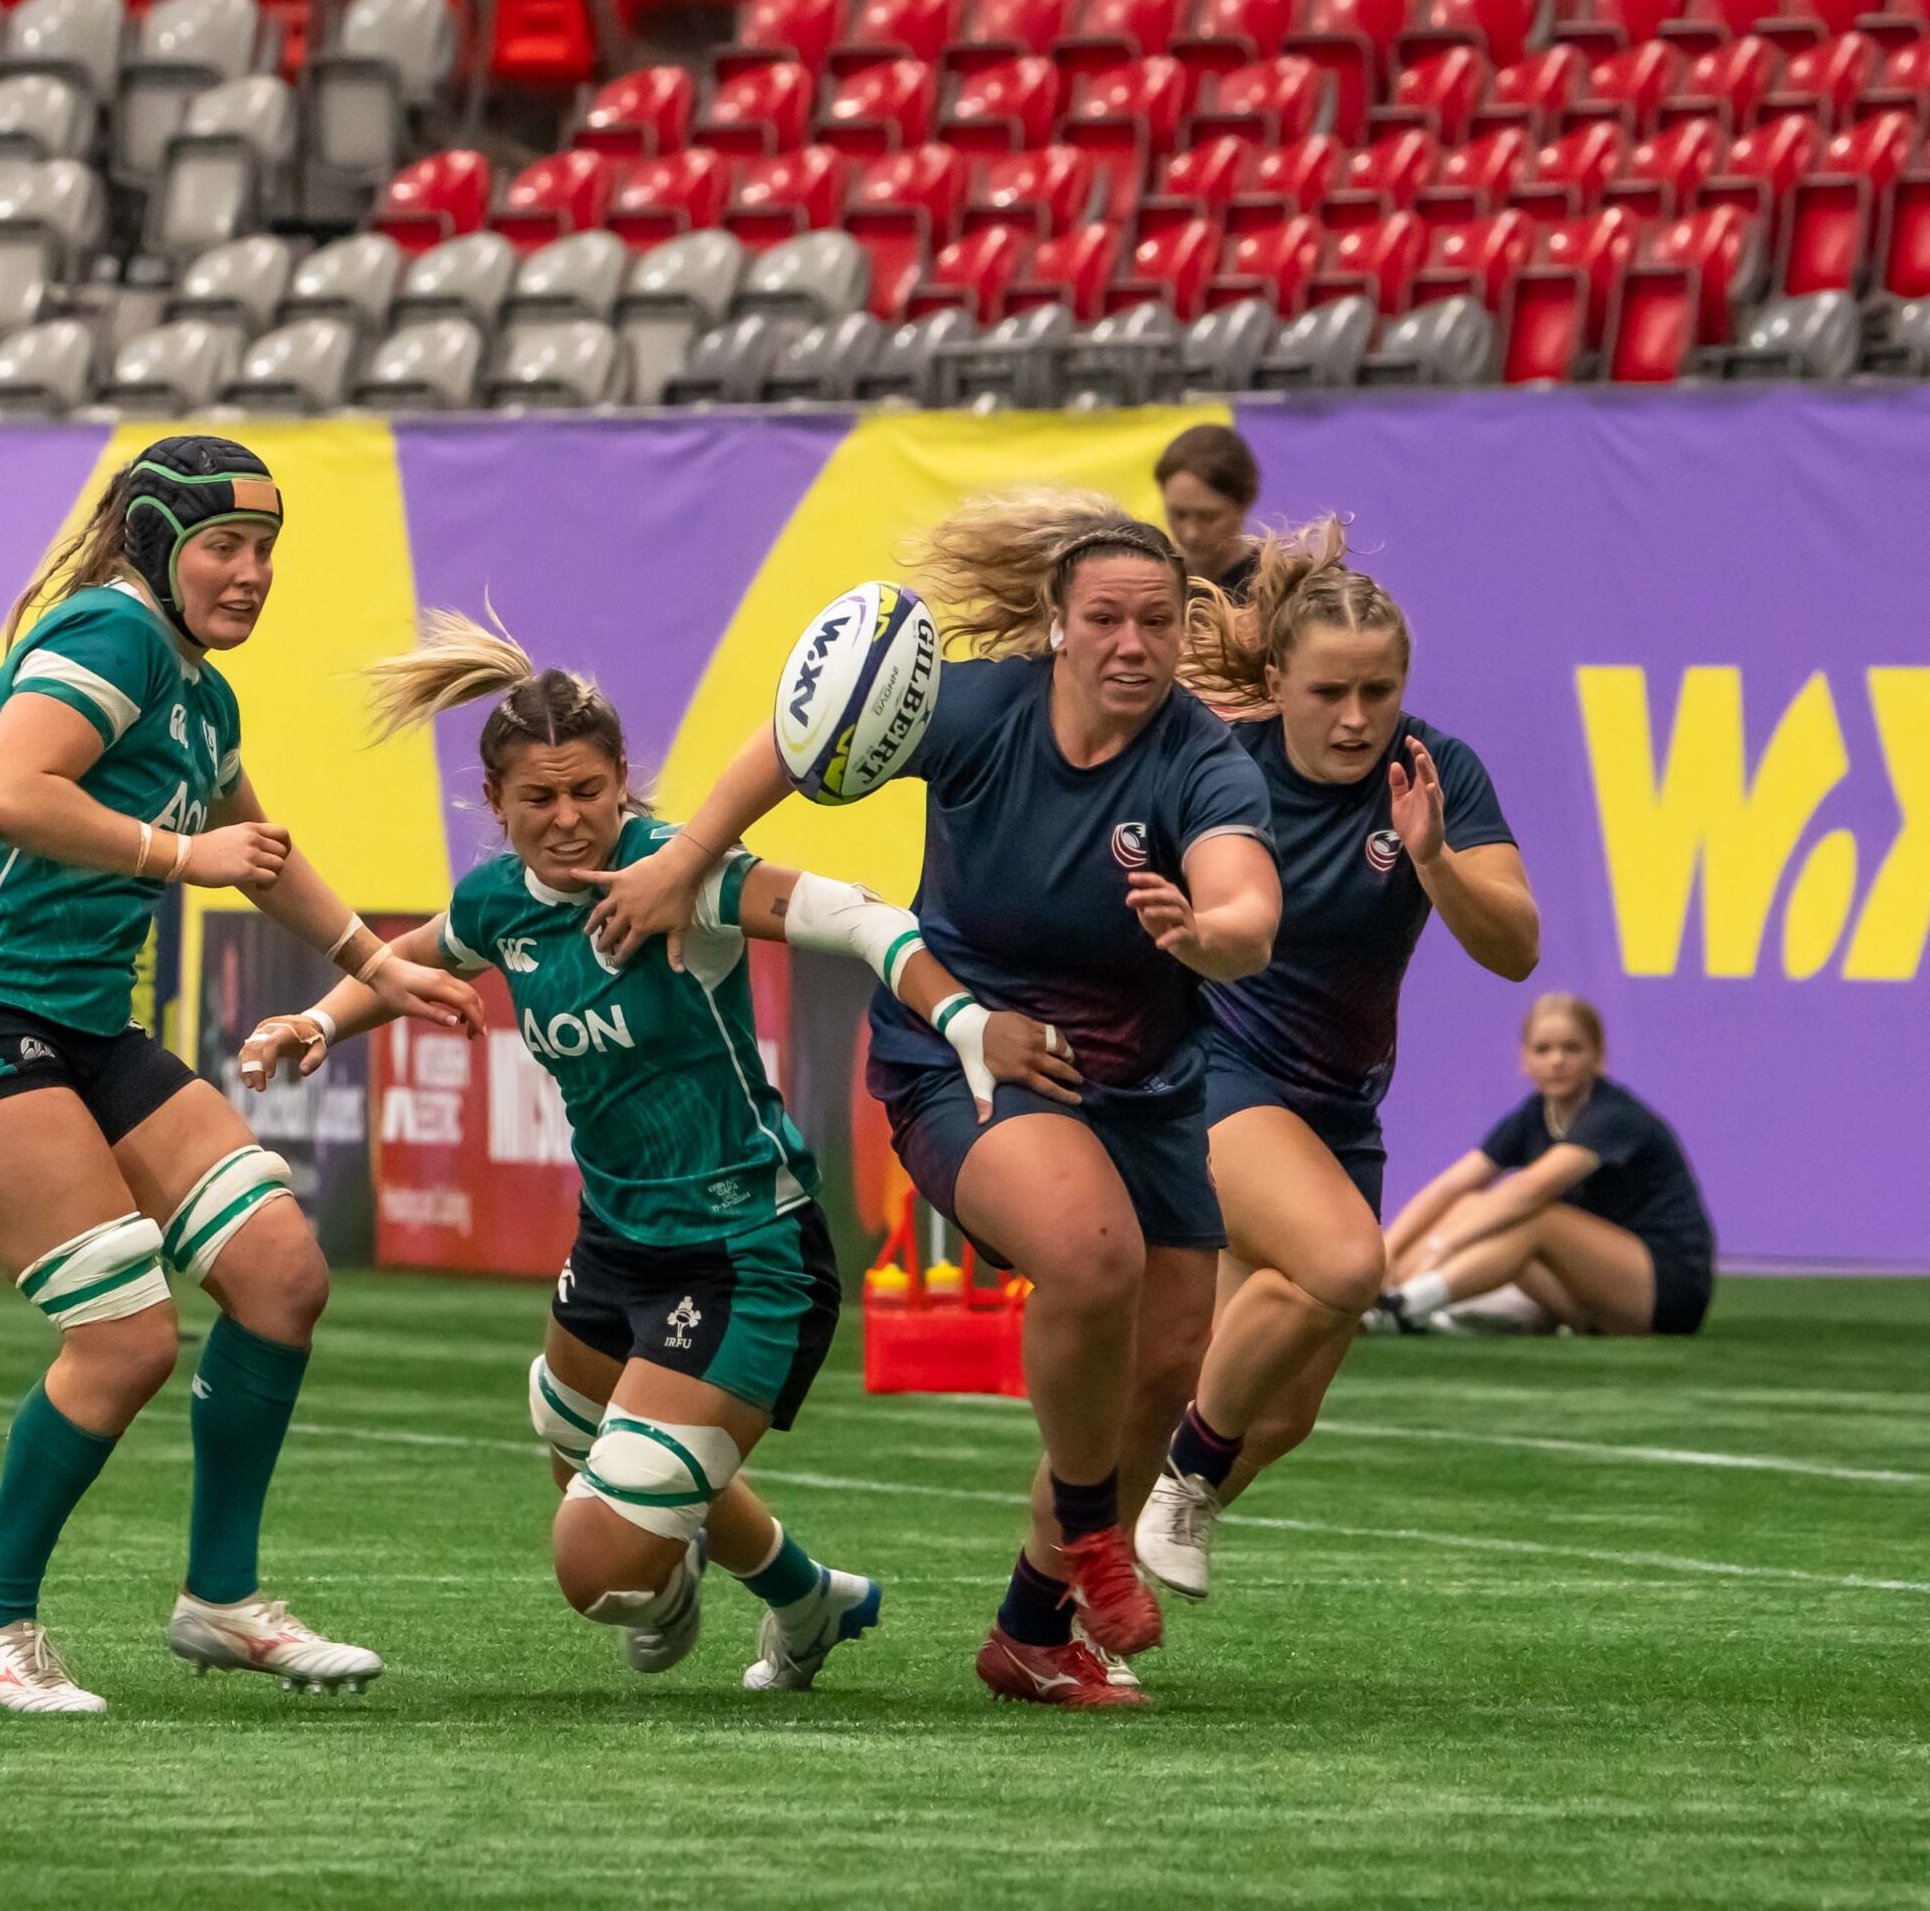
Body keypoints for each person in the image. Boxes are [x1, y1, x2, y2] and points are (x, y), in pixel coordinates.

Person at [242, 614, 1069, 1693]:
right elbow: (409, 957)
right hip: (617, 1237)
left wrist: (963, 1021)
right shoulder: (501, 902)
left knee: (597, 1565)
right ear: (495, 805)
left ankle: (664, 1571)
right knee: (564, 1418)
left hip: (743, 1251)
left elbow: (868, 920)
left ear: (621, 780)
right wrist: (315, 1021)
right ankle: (807, 1598)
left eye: (587, 789)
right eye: (537, 799)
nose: (567, 817)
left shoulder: (680, 873)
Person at [582, 490, 1280, 1710]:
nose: (1132, 644)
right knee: (1091, 1254)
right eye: (1106, 619)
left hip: (1149, 1083)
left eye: (1156, 622)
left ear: (1184, 631)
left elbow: (1248, 907)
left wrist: (1207, 934)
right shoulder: (974, 707)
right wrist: (684, 860)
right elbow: (794, 742)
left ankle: (1030, 1632)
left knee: (1166, 1361)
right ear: (1054, 628)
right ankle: (1089, 1530)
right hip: (964, 1055)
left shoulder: (1201, 756)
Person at [0, 435, 484, 1715]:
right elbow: (3, 792)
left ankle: (222, 1600)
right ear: (159, 545)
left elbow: (256, 848)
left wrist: (381, 966)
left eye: (265, 549)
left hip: (81, 1027)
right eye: (224, 544)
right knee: (124, 1333)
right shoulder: (112, 635)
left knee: (278, 1273)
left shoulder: (200, 694)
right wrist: (173, 853)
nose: (253, 571)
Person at [1129, 520, 1539, 1604]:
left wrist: (1434, 859)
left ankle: (1072, 1578)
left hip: (1339, 1111)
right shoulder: (1220, 767)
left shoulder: (1433, 771)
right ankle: (1179, 1485)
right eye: (1328, 693)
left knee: (1283, 1410)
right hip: (1213, 1076)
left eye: (1378, 690)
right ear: (1276, 681)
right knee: (1346, 1265)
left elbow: (1515, 949)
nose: (1356, 717)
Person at [1370, 995, 1714, 1338]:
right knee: (1472, 1208)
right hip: (1593, 1297)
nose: (1557, 1061)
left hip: (1667, 1291)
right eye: (1543, 1049)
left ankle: (1404, 1307)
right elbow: (1450, 1187)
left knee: (1535, 1218)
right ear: (1525, 1058)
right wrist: (1386, 1255)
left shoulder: (1614, 1115)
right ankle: (1380, 1298)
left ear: (1597, 1055)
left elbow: (1527, 1191)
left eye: (1572, 1048)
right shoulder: (1534, 1115)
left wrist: (1441, 1247)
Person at [1156, 424, 1264, 602]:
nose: (1191, 533)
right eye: (1179, 514)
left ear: (1245, 502)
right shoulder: (1153, 581)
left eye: (1208, 517)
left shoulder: (1273, 589)